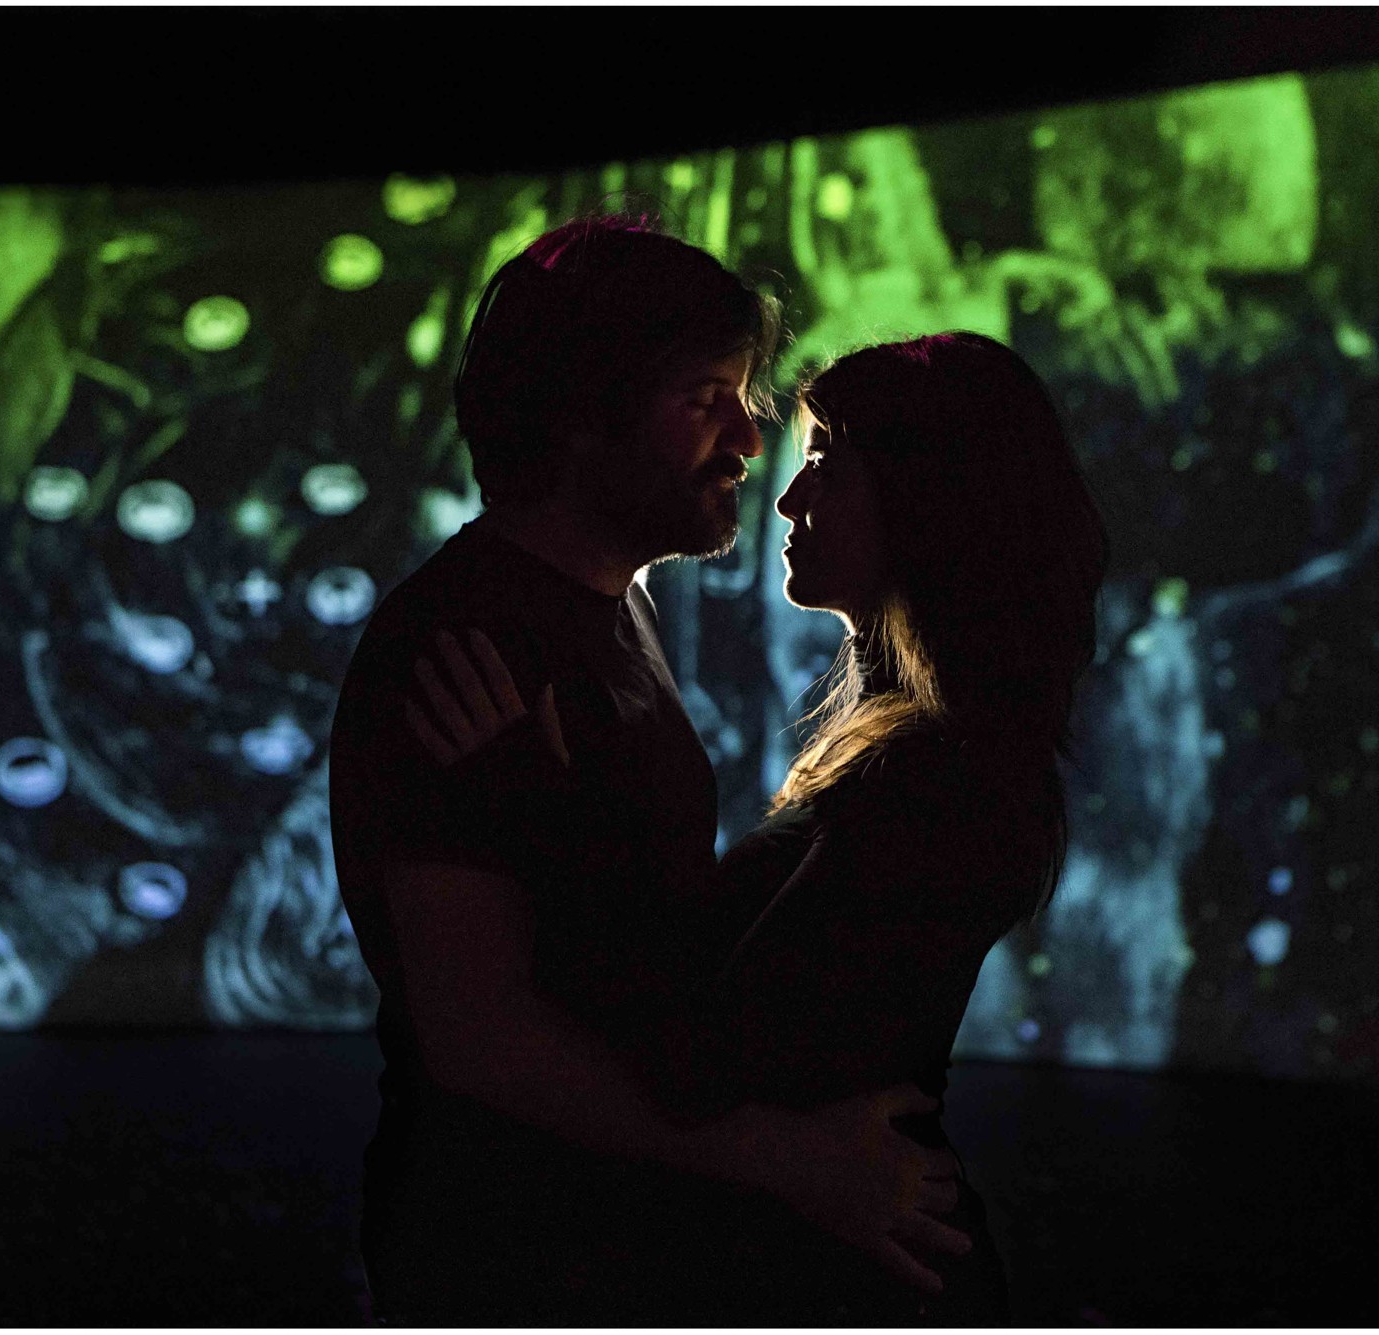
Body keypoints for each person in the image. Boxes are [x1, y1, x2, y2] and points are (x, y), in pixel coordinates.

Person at [327, 216, 971, 1326]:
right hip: (505, 1257)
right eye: (701, 397)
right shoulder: (465, 647)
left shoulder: (598, 600)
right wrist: (791, 1158)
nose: (746, 432)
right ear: (582, 415)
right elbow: (480, 1038)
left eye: (740, 391)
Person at [413, 331, 1111, 1323]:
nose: (786, 499)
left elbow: (691, 1055)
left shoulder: (926, 781)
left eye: (827, 463)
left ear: (930, 497)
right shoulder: (916, 758)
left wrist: (525, 802)